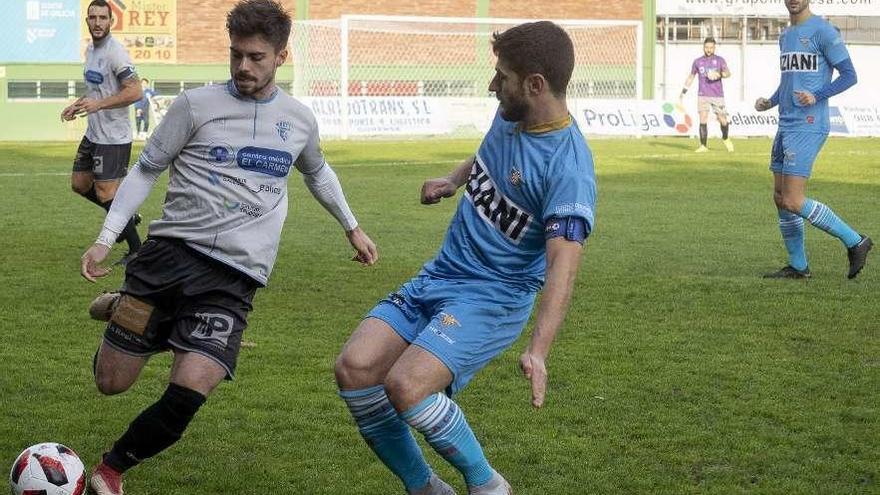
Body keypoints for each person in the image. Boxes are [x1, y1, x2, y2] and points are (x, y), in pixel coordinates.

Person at [78, 1, 379, 494]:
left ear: (281, 56)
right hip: (167, 260)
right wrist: (104, 238)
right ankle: (123, 307)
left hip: (233, 278)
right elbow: (148, 169)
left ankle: (111, 470)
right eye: (236, 54)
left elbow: (317, 171)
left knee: (191, 390)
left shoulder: (298, 120)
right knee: (111, 383)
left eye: (256, 57)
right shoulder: (195, 105)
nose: (243, 66)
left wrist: (352, 227)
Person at [335, 21, 596, 495]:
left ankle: (488, 486)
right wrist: (454, 180)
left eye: (502, 77)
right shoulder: (512, 115)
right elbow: (488, 156)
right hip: (441, 274)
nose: (493, 85)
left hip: (493, 298)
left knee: (406, 387)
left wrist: (538, 351)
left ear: (535, 85)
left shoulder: (569, 168)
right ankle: (426, 488)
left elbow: (563, 264)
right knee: (354, 370)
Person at [755, 0, 871, 279]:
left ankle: (856, 241)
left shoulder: (824, 31)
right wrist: (770, 102)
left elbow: (849, 75)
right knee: (780, 197)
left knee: (793, 200)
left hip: (809, 124)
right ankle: (798, 266)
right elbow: (789, 79)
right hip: (786, 122)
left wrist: (817, 95)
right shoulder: (785, 36)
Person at [62, 0, 143, 263]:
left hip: (113, 137)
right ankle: (125, 218)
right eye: (93, 18)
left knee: (107, 193)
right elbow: (97, 90)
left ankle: (136, 250)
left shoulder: (115, 53)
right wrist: (77, 104)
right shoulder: (91, 50)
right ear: (87, 21)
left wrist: (98, 105)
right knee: (80, 184)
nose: (98, 23)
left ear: (111, 21)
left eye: (103, 18)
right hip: (93, 133)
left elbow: (135, 91)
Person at [680, 37, 734, 153]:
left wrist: (718, 74)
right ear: (703, 47)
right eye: (707, 47)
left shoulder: (720, 60)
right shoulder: (698, 62)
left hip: (717, 95)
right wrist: (684, 90)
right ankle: (703, 146)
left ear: (714, 48)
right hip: (702, 94)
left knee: (722, 119)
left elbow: (728, 73)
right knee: (703, 118)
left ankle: (725, 138)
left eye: (711, 48)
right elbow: (691, 76)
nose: (709, 50)